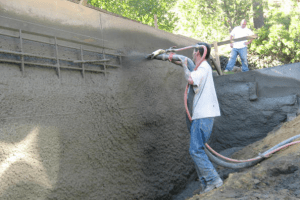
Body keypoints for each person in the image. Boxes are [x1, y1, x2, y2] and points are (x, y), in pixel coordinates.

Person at [148, 42, 223, 194]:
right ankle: (206, 184)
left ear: (199, 53)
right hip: (201, 115)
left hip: (203, 116)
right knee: (197, 150)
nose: (192, 54)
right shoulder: (199, 67)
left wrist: (183, 66)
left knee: (195, 150)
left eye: (194, 51)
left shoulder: (203, 68)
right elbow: (183, 59)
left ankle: (214, 180)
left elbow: (190, 78)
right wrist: (163, 56)